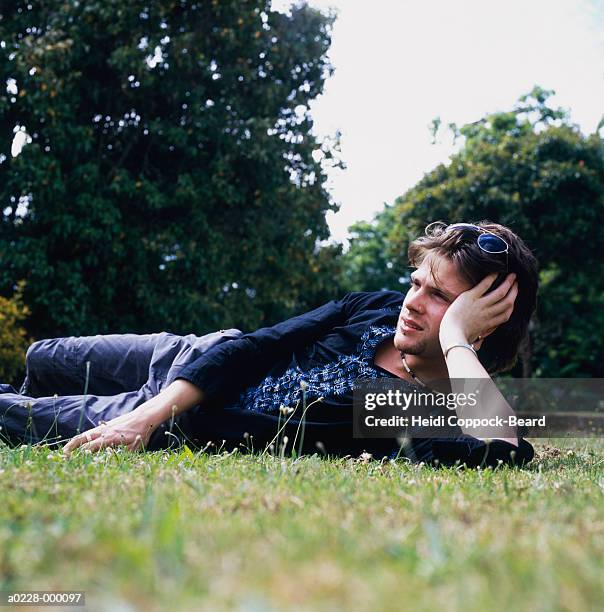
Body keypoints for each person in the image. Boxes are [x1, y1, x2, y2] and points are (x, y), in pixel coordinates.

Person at [0, 221, 538, 467]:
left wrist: (454, 341)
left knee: (14, 415)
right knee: (42, 357)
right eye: (415, 283)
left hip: (192, 420)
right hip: (192, 357)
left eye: (439, 297)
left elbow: (508, 450)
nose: (412, 302)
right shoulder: (371, 306)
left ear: (478, 324)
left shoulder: (421, 412)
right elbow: (259, 345)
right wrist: (147, 413)